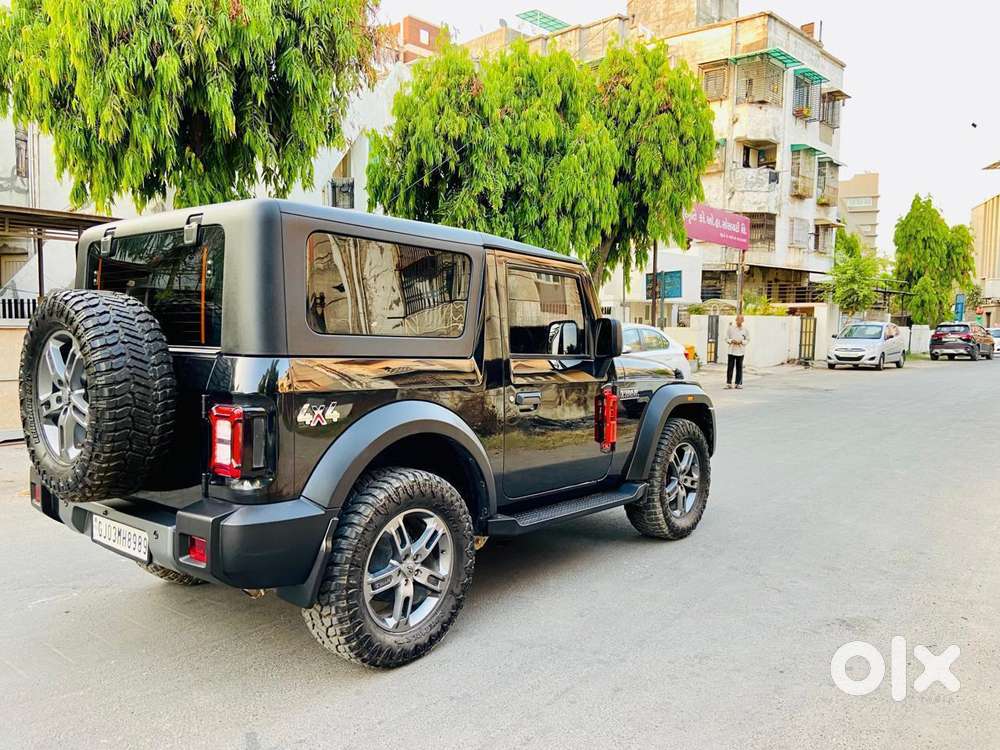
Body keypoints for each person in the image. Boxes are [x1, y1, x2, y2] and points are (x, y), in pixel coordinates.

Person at [726, 315, 749, 389]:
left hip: (741, 351)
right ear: (736, 320)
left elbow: (747, 339)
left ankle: (738, 383)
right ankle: (728, 383)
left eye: (741, 320)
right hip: (731, 350)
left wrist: (741, 341)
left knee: (739, 368)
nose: (739, 321)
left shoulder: (745, 330)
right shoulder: (731, 328)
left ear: (743, 321)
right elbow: (726, 338)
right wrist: (731, 341)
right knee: (730, 367)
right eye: (738, 320)